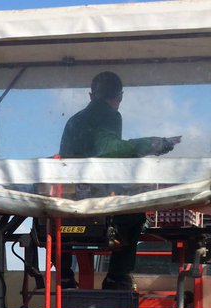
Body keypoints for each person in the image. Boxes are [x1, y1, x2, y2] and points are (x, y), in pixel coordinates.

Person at [58, 71, 180, 290]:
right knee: (133, 215)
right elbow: (109, 150)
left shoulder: (73, 120)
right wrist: (154, 144)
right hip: (94, 199)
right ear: (120, 96)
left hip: (69, 200)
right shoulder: (110, 115)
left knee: (58, 226)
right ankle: (117, 277)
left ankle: (64, 277)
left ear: (90, 95)